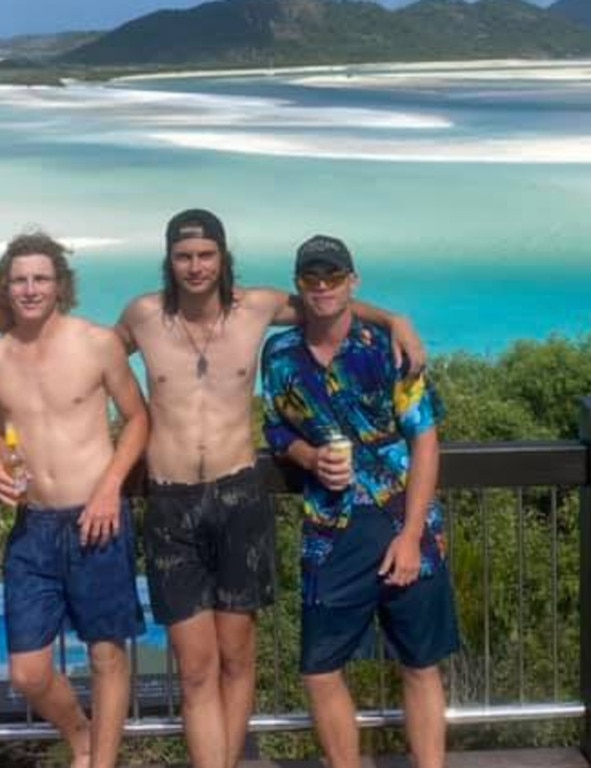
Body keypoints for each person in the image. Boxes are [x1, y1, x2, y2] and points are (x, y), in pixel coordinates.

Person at [115, 209, 426, 768]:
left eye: (206, 255)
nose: (195, 267)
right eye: (184, 256)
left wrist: (393, 319)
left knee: (237, 659)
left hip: (239, 497)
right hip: (169, 502)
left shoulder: (255, 309)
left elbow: (324, 300)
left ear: (222, 258)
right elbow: (88, 360)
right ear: (169, 261)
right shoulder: (142, 316)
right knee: (194, 668)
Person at [261, 234, 459, 768]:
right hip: (331, 530)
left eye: (333, 277)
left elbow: (424, 439)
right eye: (311, 279)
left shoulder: (387, 349)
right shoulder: (278, 355)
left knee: (420, 663)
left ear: (353, 281)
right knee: (320, 670)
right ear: (299, 286)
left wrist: (412, 535)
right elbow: (276, 429)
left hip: (404, 523)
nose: (323, 288)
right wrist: (306, 456)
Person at [0, 231, 149, 768]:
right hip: (33, 527)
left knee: (107, 655)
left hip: (96, 516)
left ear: (60, 285)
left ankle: (102, 761)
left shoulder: (96, 343)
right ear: (5, 288)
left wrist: (109, 489)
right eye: (20, 280)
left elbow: (139, 419)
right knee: (27, 672)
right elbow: (2, 439)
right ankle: (80, 734)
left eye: (41, 279)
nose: (30, 289)